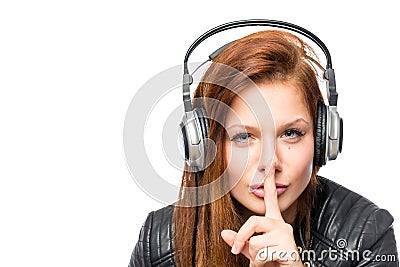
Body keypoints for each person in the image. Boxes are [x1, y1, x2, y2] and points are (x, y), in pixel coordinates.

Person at [128, 23, 398, 266]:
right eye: (243, 137)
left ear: (323, 139)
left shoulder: (365, 235)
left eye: (291, 133)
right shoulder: (159, 242)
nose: (269, 164)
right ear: (205, 146)